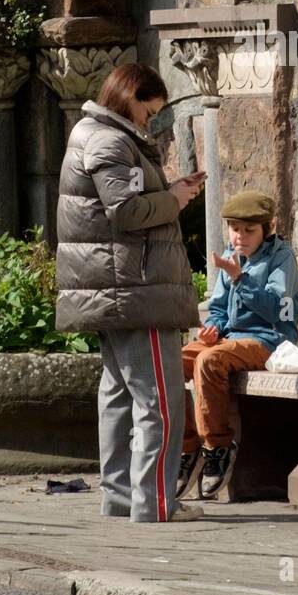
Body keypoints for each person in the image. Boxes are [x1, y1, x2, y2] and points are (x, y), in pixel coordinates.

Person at [55, 62, 205, 522]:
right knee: (159, 400)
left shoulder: (96, 134)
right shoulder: (109, 139)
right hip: (135, 291)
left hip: (117, 289)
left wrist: (169, 191)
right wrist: (175, 200)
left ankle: (121, 497)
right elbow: (124, 211)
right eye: (148, 109)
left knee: (119, 396)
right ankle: (155, 503)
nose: (150, 120)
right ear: (128, 96)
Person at [177, 190, 298, 500]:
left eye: (249, 230)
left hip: (269, 341)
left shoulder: (282, 258)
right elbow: (218, 309)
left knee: (209, 362)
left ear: (267, 228)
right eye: (235, 229)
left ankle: (217, 448)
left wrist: (240, 279)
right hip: (229, 340)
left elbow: (276, 309)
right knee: (172, 361)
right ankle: (186, 447)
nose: (240, 237)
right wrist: (213, 327)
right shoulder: (230, 255)